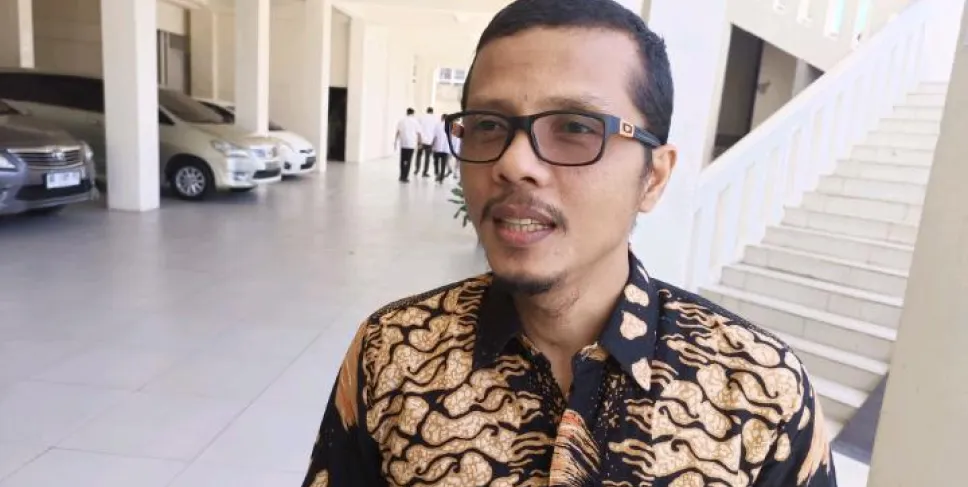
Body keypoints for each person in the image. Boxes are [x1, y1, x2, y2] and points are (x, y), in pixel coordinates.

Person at [302, 0, 837, 486]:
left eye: (577, 127)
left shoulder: (762, 395)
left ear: (653, 177)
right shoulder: (392, 352)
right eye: (488, 125)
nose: (514, 163)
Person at [394, 108, 420, 183]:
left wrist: (395, 141)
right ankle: (405, 177)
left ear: (407, 112)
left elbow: (398, 132)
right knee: (408, 161)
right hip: (411, 144)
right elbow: (418, 133)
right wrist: (420, 143)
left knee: (402, 160)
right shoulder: (415, 122)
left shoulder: (401, 121)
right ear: (413, 113)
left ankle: (401, 176)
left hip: (403, 143)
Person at [416, 107, 437, 178]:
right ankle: (424, 172)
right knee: (427, 158)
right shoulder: (435, 119)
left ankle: (417, 169)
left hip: (421, 140)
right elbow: (435, 131)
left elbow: (418, 129)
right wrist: (434, 142)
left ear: (427, 111)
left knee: (419, 155)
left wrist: (418, 141)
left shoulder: (421, 117)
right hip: (429, 141)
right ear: (432, 112)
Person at [431, 113, 452, 183]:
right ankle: (441, 179)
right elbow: (451, 138)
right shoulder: (450, 126)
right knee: (443, 164)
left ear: (442, 118)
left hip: (437, 147)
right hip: (446, 148)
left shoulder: (437, 125)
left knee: (436, 162)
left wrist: (432, 145)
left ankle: (437, 174)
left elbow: (434, 136)